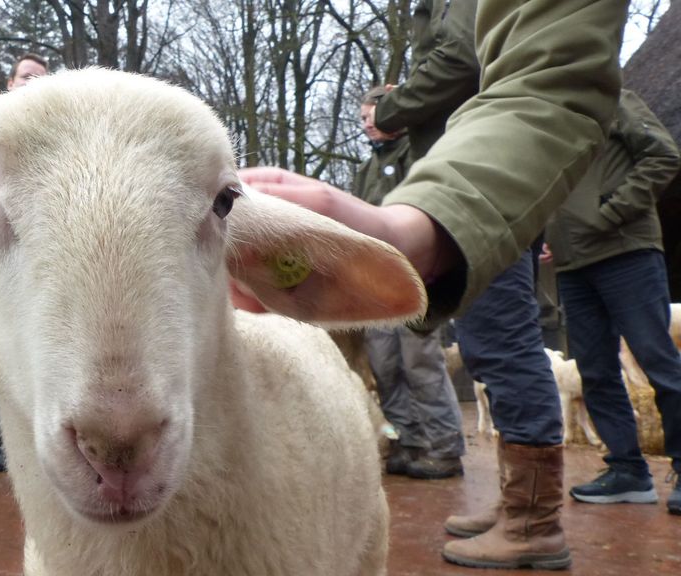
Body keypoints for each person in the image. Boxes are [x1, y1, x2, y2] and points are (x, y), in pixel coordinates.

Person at [238, 0, 628, 570]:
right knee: (488, 350)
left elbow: (495, 65)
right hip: (470, 188)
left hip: (490, 192)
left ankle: (534, 519)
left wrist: (394, 111)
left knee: (507, 346)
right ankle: (516, 501)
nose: (369, 122)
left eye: (372, 115)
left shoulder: (455, 45)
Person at [542, 89, 681, 516]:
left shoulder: (612, 98)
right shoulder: (542, 119)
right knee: (596, 370)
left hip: (627, 252)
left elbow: (663, 157)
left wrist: (611, 212)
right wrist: (549, 233)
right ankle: (627, 470)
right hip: (572, 265)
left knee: (657, 360)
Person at [353, 86, 466, 479]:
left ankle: (444, 447)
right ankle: (407, 441)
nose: (368, 123)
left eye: (374, 114)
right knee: (384, 365)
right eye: (363, 118)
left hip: (418, 279)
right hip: (377, 283)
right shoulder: (366, 170)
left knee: (421, 362)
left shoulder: (418, 155)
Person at [0, 53, 50, 474]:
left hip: (43, 277)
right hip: (0, 266)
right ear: (9, 82)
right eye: (27, 77)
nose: (34, 85)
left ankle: (36, 434)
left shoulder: (56, 143)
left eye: (42, 79)